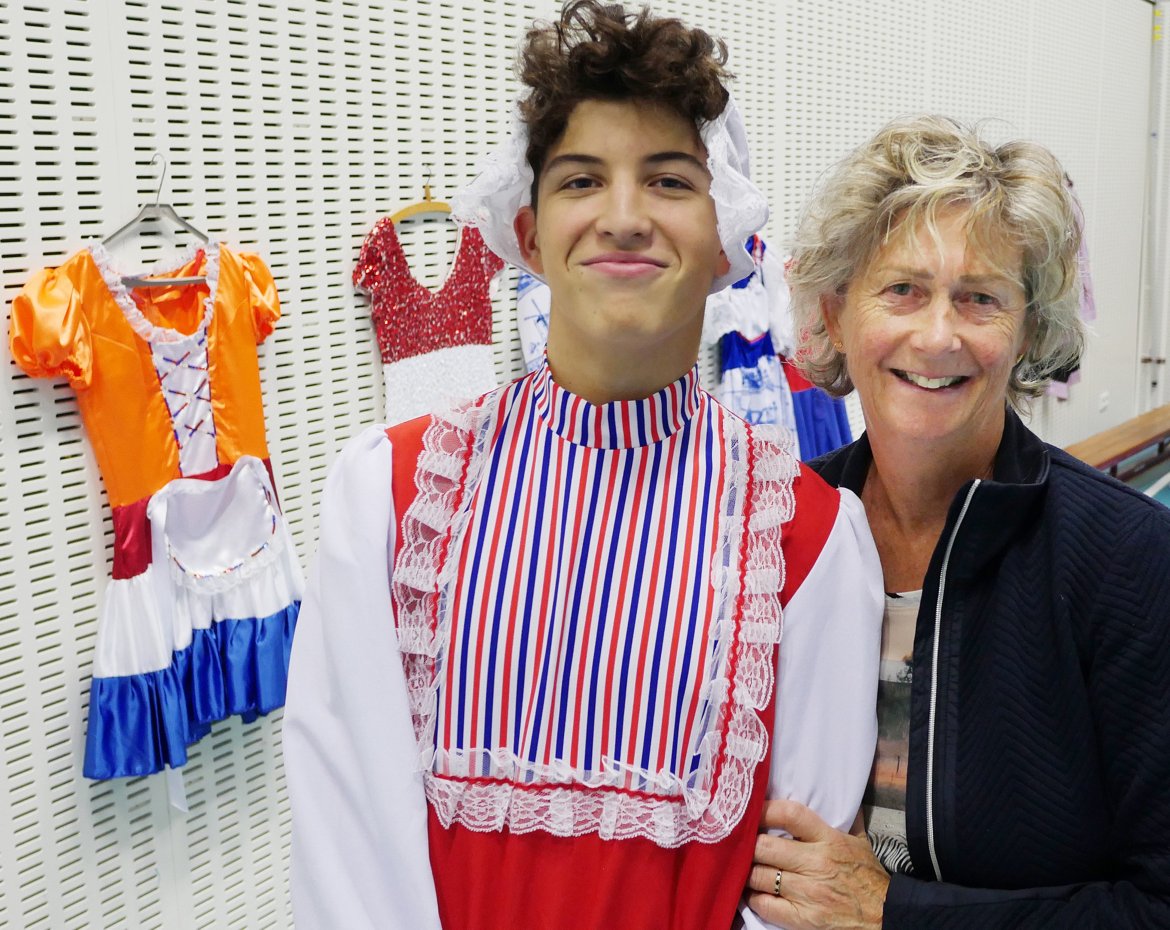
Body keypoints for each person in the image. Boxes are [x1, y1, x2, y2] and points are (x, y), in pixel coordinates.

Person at [282, 3, 883, 928]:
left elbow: (795, 890)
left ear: (727, 243)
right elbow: (347, 829)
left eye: (670, 180)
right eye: (581, 180)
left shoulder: (803, 540)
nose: (625, 217)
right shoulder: (395, 499)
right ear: (526, 236)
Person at [745, 114, 1170, 928]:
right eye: (901, 289)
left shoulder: (1126, 560)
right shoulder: (779, 533)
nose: (937, 336)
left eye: (980, 298)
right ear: (835, 315)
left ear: (1027, 333)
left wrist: (893, 913)